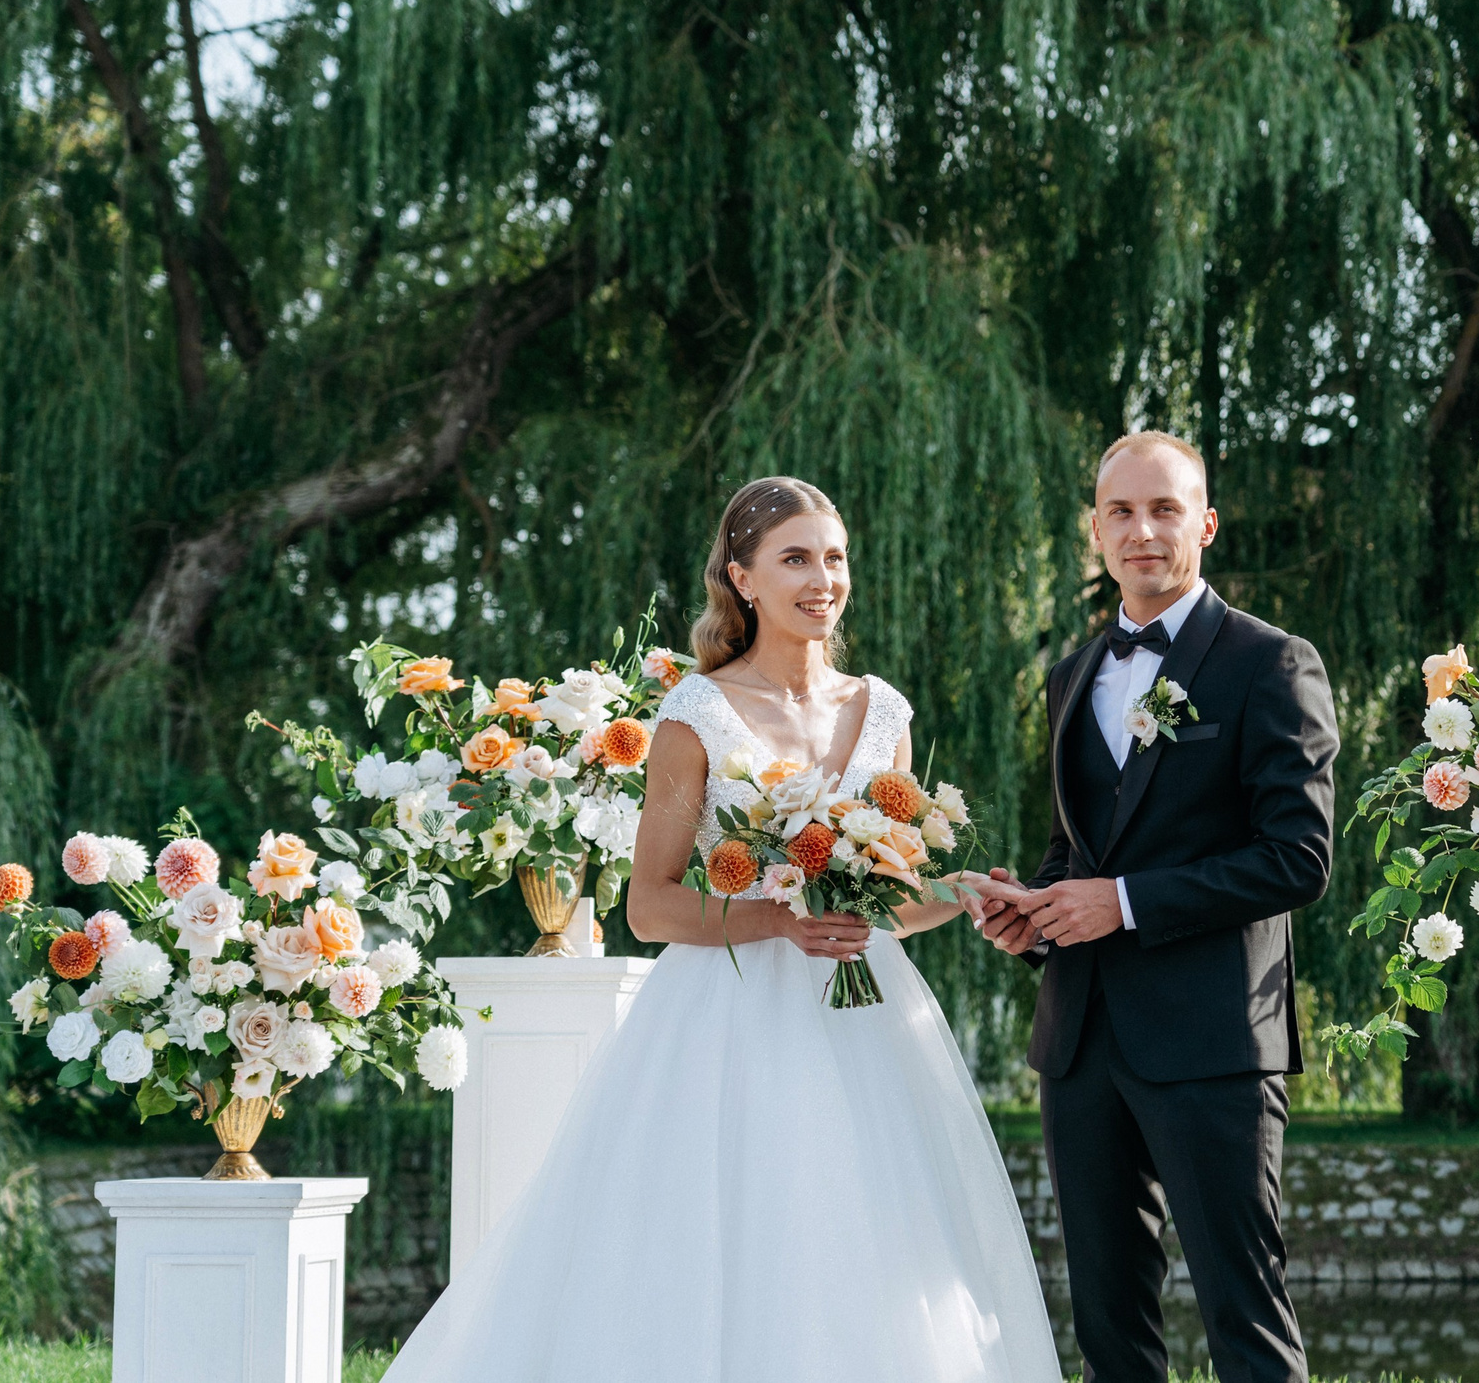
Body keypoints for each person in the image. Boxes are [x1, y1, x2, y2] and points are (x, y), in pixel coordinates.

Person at [384, 476, 1061, 1383]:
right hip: (727, 1016)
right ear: (742, 578)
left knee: (866, 1241)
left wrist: (964, 892)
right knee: (727, 1236)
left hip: (867, 1021)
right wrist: (777, 922)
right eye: (795, 560)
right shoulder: (693, 714)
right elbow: (650, 904)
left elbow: (885, 904)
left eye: (834, 558)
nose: (823, 579)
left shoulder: (883, 711)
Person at [972, 431, 1338, 1383]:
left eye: (1165, 509)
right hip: (1081, 1040)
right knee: (1108, 1323)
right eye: (1122, 512)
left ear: (1204, 525)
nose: (1143, 531)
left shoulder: (1271, 663)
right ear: (1096, 530)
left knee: (1243, 1315)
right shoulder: (1071, 677)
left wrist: (1124, 903)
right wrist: (1032, 913)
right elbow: (1077, 851)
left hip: (1214, 1037)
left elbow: (1298, 859)